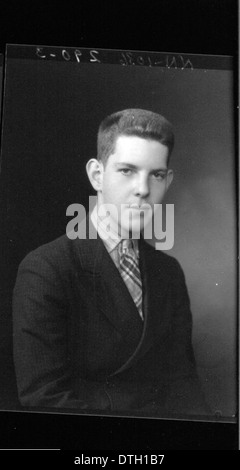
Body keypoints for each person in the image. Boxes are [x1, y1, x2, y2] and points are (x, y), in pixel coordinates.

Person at [12, 108, 210, 416]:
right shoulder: (47, 268)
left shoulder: (168, 272)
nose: (143, 189)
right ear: (97, 175)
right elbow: (45, 397)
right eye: (127, 170)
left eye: (156, 174)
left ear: (168, 181)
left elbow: (184, 384)